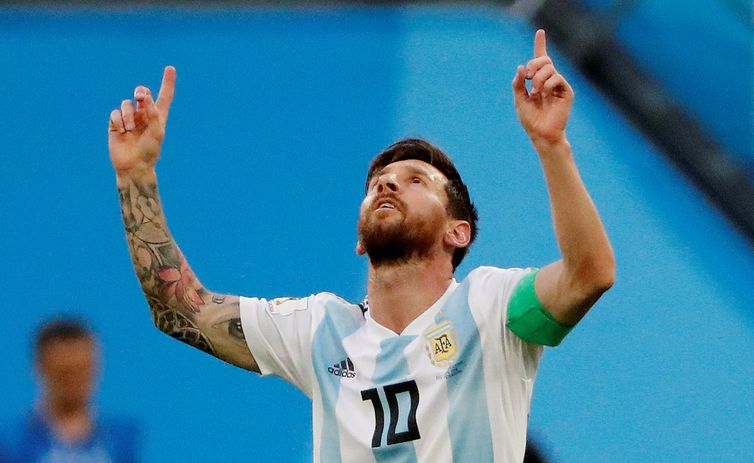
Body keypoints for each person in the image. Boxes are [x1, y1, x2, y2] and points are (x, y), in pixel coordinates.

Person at [107, 29, 614, 462]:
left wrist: (551, 144)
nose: (388, 186)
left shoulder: (492, 306)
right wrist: (136, 175)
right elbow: (179, 309)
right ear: (358, 241)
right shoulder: (320, 329)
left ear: (457, 232)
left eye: (416, 181)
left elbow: (589, 274)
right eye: (378, 183)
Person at [0, 318, 140, 463]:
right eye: (65, 372)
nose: (75, 382)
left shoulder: (121, 438)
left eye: (83, 370)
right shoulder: (11, 443)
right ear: (39, 368)